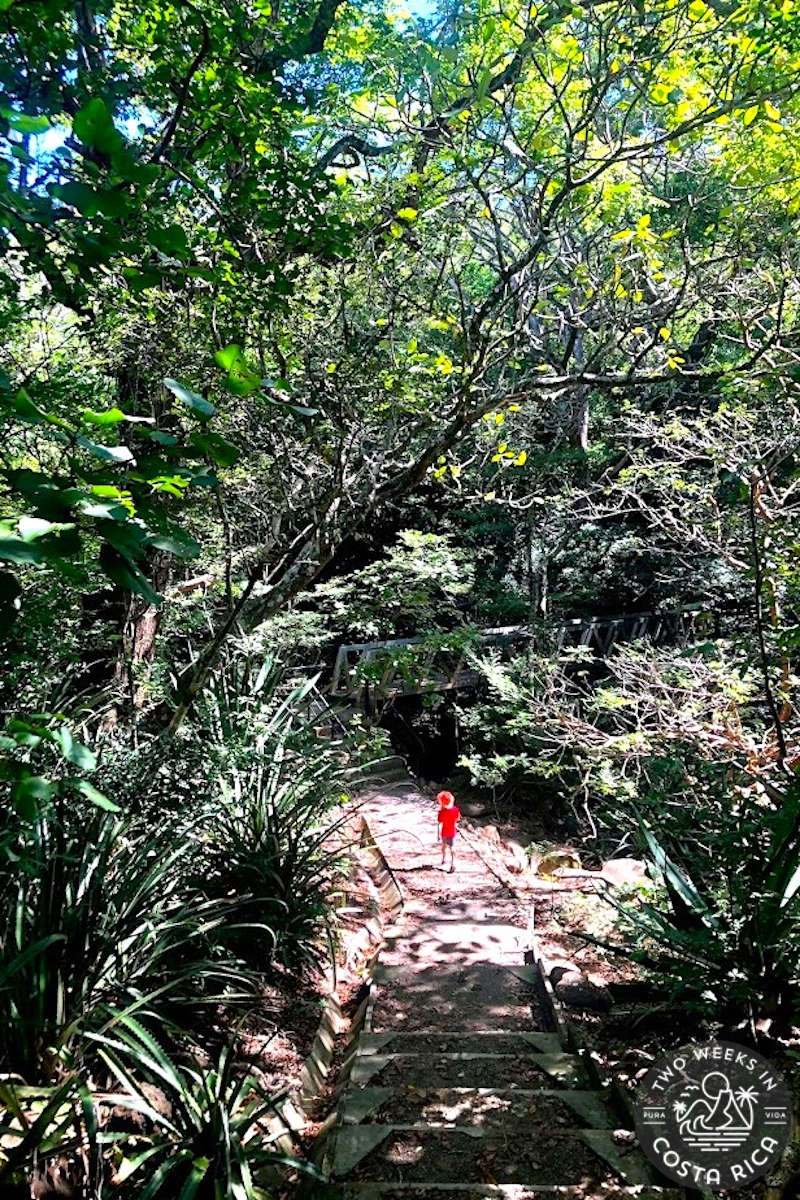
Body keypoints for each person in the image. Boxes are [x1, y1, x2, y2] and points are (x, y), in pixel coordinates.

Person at [436, 790, 461, 873]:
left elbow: (439, 821)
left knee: (443, 846)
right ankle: (453, 863)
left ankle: (443, 859)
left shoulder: (442, 812)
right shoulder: (455, 810)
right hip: (452, 832)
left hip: (444, 832)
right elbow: (457, 819)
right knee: (452, 847)